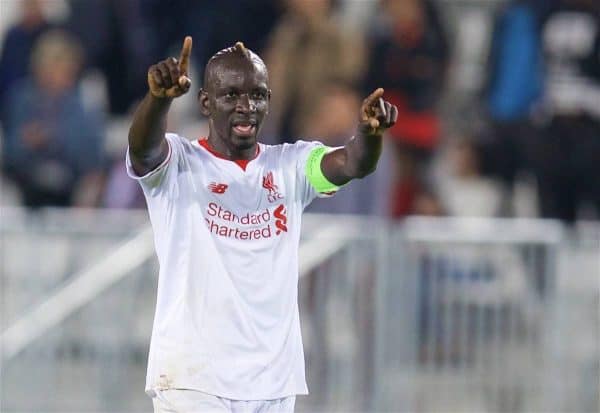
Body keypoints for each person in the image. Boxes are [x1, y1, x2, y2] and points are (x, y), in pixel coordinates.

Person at [127, 37, 397, 412]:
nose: (246, 107)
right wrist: (159, 100)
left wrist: (369, 135)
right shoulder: (179, 163)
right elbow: (143, 151)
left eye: (258, 96)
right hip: (194, 381)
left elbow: (353, 164)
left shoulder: (292, 164)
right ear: (205, 102)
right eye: (232, 95)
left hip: (273, 382)